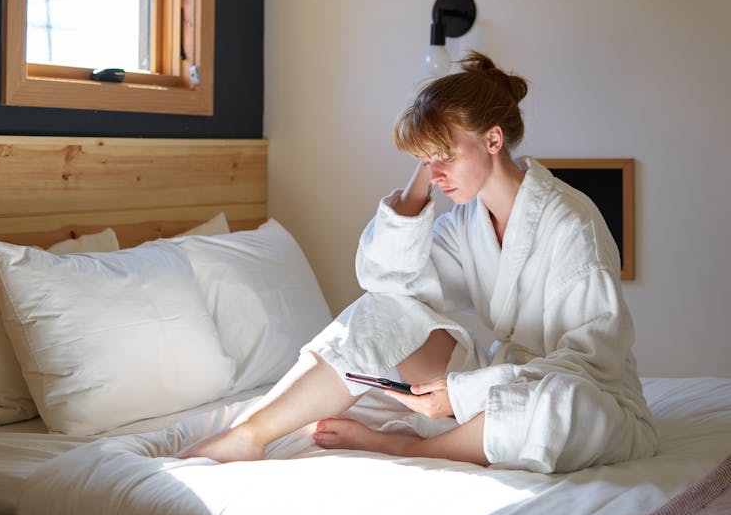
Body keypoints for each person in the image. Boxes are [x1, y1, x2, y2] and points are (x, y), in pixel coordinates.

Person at [180, 53, 657, 474]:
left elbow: (589, 364)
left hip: (590, 398)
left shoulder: (571, 223)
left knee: (559, 409)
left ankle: (408, 446)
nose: (437, 172)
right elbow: (388, 283)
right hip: (498, 391)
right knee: (384, 310)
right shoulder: (470, 221)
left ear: (494, 140)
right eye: (427, 159)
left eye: (445, 155)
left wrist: (464, 393)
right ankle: (250, 434)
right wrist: (419, 186)